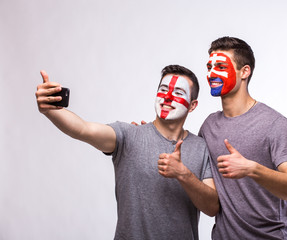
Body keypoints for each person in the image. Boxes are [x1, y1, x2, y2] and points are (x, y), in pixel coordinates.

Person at [35, 65, 219, 240]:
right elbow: (82, 129)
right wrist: (50, 110)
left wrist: (183, 174)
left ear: (193, 105)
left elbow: (212, 207)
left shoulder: (200, 147)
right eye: (163, 90)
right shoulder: (128, 135)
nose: (168, 97)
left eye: (178, 93)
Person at [198, 37, 287, 239]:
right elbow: (206, 193)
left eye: (220, 66)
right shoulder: (208, 127)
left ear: (244, 72)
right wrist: (153, 132)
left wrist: (252, 169)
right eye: (209, 67)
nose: (211, 74)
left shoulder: (275, 124)